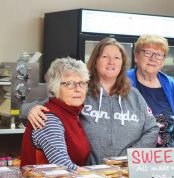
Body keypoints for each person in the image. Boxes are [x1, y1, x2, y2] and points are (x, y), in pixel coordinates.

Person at [20, 38, 159, 165]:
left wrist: (128, 158)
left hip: (124, 173)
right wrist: (29, 110)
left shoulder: (134, 95)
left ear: (122, 63)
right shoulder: (80, 89)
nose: (111, 62)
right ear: (95, 60)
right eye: (105, 57)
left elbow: (152, 128)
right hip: (86, 173)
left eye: (117, 57)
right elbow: (53, 106)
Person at [20, 57, 90, 171]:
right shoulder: (49, 118)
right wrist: (99, 177)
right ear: (55, 87)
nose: (78, 89)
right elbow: (62, 165)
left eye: (82, 83)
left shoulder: (73, 113)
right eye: (69, 84)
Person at [127, 34, 174, 147]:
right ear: (136, 56)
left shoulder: (171, 84)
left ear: (163, 60)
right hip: (132, 158)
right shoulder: (123, 83)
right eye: (148, 53)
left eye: (159, 55)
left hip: (168, 159)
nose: (153, 58)